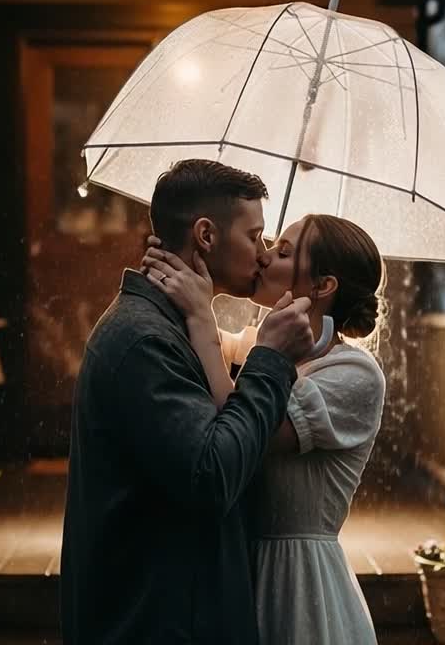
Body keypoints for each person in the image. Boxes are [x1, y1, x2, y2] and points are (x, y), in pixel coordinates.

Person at [60, 159, 315, 645]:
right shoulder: (144, 341)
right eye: (255, 236)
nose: (264, 255)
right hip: (153, 622)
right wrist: (270, 360)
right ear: (206, 235)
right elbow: (212, 474)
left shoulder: (172, 328)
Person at [143, 213, 387, 645]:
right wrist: (186, 267)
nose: (263, 256)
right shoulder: (256, 344)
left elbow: (245, 433)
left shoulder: (353, 373)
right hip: (237, 567)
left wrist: (203, 317)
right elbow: (203, 345)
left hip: (298, 582)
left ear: (323, 285)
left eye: (283, 252)